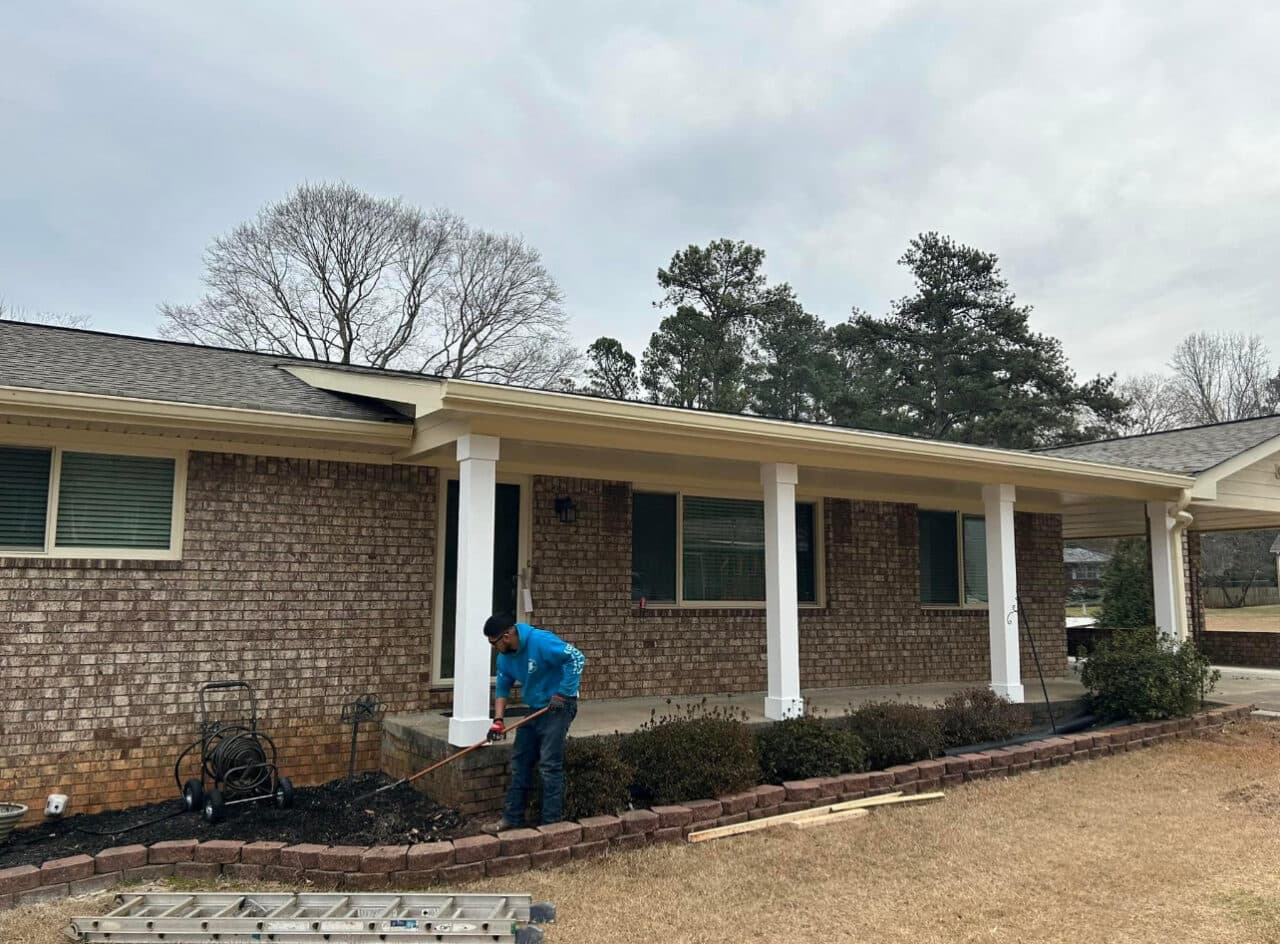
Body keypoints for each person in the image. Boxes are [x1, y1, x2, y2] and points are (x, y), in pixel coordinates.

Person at [480, 613, 585, 833]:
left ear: (507, 636)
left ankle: (550, 825)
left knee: (549, 764)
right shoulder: (505, 657)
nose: (493, 648)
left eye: (494, 643)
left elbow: (576, 657)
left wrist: (563, 694)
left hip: (559, 706)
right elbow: (502, 688)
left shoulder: (541, 641)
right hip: (536, 708)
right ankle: (512, 818)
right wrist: (497, 720)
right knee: (520, 761)